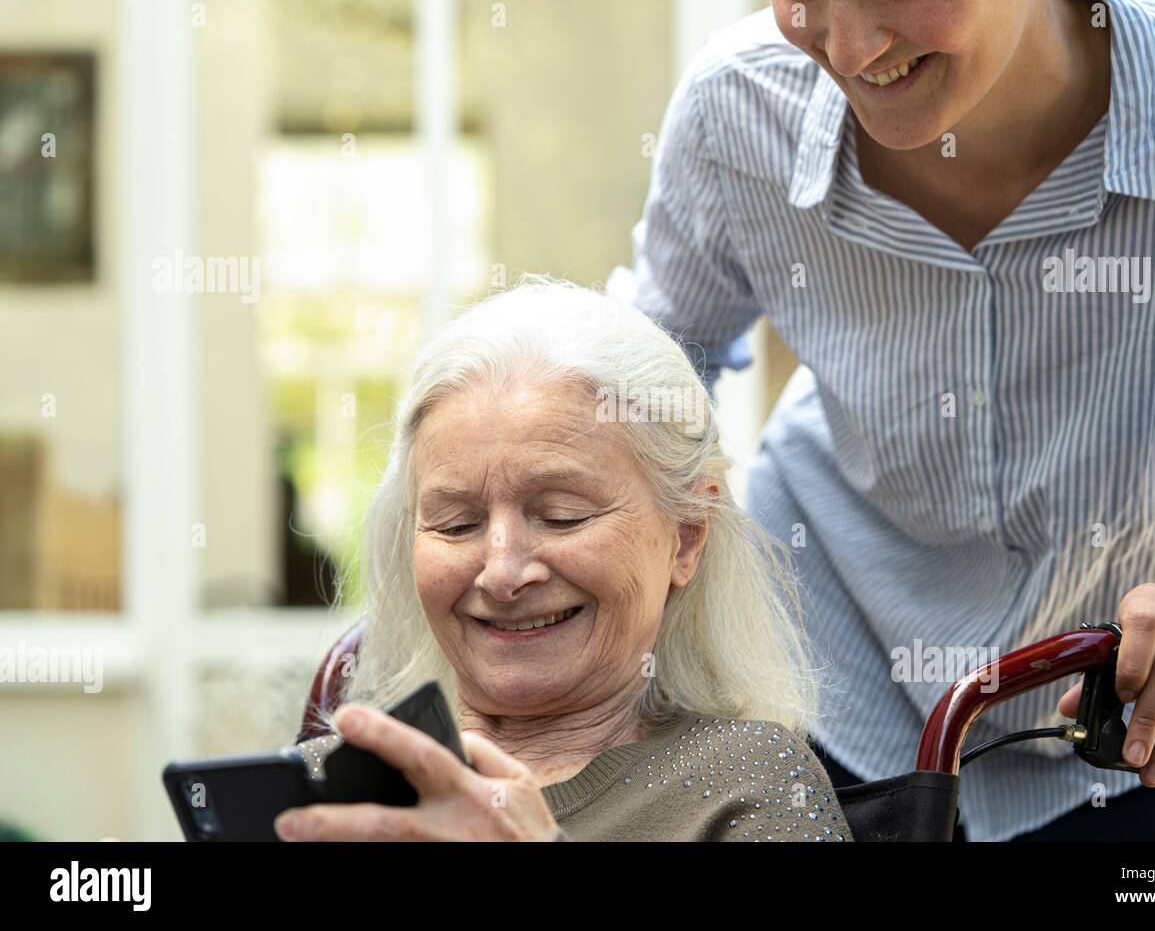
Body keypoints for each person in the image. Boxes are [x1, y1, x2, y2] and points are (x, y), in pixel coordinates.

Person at [610, 0, 1155, 840]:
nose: (849, 46)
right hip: (826, 686)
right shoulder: (736, 105)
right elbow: (645, 383)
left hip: (1147, 733)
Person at [278, 280, 852, 842]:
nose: (501, 574)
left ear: (686, 537)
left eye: (561, 515)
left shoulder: (749, 782)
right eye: (457, 524)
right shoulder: (324, 791)